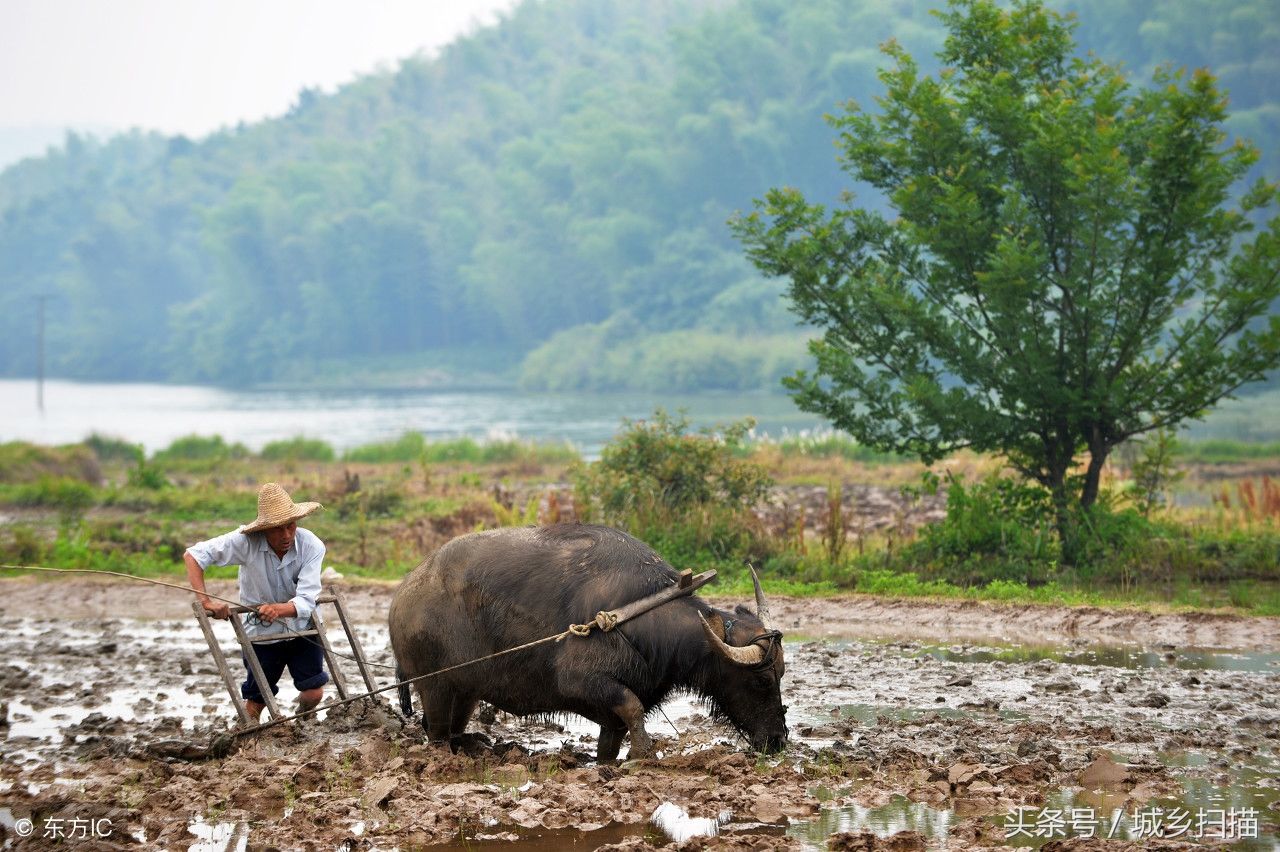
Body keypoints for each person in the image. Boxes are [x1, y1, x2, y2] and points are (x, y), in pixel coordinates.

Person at [185, 482, 330, 722]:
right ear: (263, 529)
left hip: (304, 628)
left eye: (290, 526)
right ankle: (246, 739)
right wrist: (207, 602)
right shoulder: (245, 542)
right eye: (277, 529)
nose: (286, 535)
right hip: (261, 633)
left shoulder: (311, 545)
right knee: (257, 700)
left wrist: (278, 609)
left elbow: (307, 598)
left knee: (314, 692)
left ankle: (304, 720)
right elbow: (194, 555)